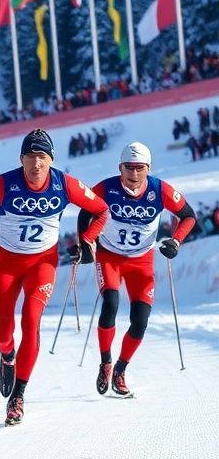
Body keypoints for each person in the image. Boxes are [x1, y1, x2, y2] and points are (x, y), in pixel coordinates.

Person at [0, 129, 107, 426]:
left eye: (42, 157)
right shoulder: (4, 184)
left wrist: (88, 240)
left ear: (50, 160)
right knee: (2, 334)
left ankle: (18, 396)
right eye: (30, 157)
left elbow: (101, 210)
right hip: (5, 263)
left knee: (32, 320)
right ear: (21, 159)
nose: (36, 164)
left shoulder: (65, 184)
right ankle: (7, 356)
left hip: (42, 263)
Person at [79, 142, 196, 397]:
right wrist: (86, 242)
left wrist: (176, 241)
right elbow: (84, 211)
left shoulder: (159, 189)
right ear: (120, 168)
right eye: (128, 168)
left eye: (139, 168)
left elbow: (188, 215)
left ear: (148, 169)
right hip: (109, 255)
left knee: (140, 322)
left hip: (141, 260)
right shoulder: (106, 188)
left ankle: (121, 369)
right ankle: (106, 363)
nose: (133, 174)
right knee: (110, 303)